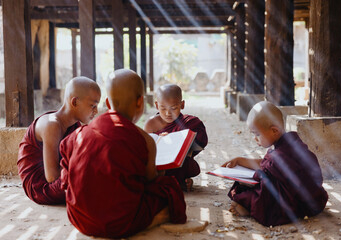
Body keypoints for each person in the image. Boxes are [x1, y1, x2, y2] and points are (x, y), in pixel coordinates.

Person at [60, 69, 187, 238]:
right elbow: (149, 181)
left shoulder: (82, 133)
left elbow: (65, 155)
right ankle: (155, 219)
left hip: (80, 219)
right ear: (140, 102)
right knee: (169, 188)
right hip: (122, 222)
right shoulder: (145, 140)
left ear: (107, 102)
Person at [222, 101, 328, 226]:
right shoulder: (289, 144)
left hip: (298, 203)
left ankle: (250, 207)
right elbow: (266, 164)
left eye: (257, 134)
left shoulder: (280, 154)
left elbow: (267, 170)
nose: (255, 138)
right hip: (316, 200)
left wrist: (250, 180)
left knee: (254, 188)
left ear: (274, 131)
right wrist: (240, 160)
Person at [17, 77, 101, 205]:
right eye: (92, 105)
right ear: (75, 102)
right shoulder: (52, 124)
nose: (96, 111)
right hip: (42, 188)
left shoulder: (76, 126)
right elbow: (52, 177)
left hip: (60, 181)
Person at [145, 84, 208, 191]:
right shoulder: (150, 124)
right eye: (163, 108)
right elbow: (146, 152)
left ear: (182, 105)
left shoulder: (190, 123)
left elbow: (196, 148)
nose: (168, 113)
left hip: (179, 164)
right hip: (158, 164)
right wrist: (161, 142)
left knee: (188, 165)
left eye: (174, 108)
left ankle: (181, 181)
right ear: (156, 105)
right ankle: (179, 182)